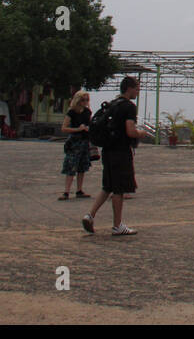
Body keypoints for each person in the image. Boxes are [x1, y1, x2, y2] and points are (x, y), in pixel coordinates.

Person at [82, 77, 146, 236]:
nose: (138, 92)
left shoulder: (113, 104)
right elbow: (130, 131)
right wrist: (140, 133)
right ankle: (117, 225)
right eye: (137, 89)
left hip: (108, 150)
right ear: (129, 88)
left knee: (108, 186)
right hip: (121, 151)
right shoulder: (129, 107)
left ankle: (89, 215)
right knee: (119, 188)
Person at [59, 90, 93, 200]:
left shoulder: (88, 112)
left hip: (84, 141)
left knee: (82, 166)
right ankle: (66, 191)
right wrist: (78, 129)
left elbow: (91, 124)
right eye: (83, 100)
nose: (85, 102)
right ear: (78, 100)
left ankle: (79, 190)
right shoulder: (72, 112)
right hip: (74, 142)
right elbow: (64, 128)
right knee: (71, 166)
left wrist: (89, 129)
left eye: (87, 100)